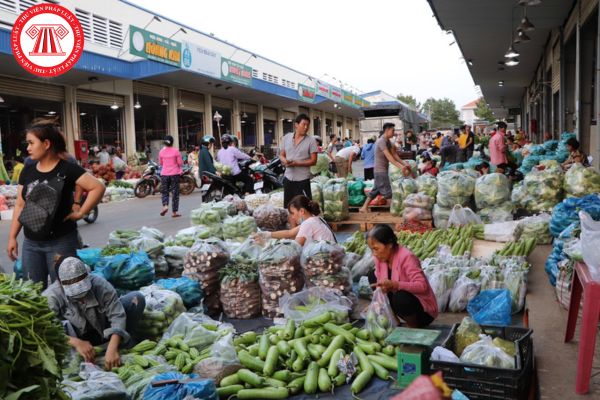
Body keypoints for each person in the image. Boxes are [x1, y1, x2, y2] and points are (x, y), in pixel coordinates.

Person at [7, 119, 105, 288]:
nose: (28, 148)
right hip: (31, 244)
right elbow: (20, 205)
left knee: (66, 290)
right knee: (33, 291)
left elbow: (98, 187)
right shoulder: (28, 170)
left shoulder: (67, 169)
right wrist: (12, 237)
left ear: (46, 144)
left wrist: (81, 212)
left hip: (61, 242)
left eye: (31, 143)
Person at [43, 256, 145, 369]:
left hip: (102, 329)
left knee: (136, 299)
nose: (82, 300)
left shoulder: (100, 285)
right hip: (76, 338)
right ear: (60, 283)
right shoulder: (51, 296)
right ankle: (86, 354)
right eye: (77, 298)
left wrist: (112, 348)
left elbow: (116, 315)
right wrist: (76, 342)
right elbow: (47, 328)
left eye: (85, 293)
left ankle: (120, 343)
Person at [366, 224, 438, 328]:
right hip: (398, 303)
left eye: (376, 249)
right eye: (372, 249)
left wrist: (395, 285)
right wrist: (376, 302)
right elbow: (380, 285)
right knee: (372, 275)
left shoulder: (407, 257)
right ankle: (394, 321)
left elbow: (422, 286)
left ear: (389, 245)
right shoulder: (379, 258)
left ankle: (414, 328)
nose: (374, 253)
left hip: (421, 311)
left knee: (401, 297)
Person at [359, 123, 410, 212]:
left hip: (381, 171)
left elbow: (394, 154)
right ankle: (395, 210)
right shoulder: (381, 141)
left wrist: (403, 163)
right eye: (393, 130)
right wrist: (400, 167)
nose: (394, 133)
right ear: (387, 130)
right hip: (380, 170)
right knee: (388, 192)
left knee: (375, 191)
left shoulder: (388, 141)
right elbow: (389, 157)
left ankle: (364, 207)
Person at [254, 195, 335, 246]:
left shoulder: (308, 223)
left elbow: (294, 249)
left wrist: (266, 244)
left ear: (302, 211)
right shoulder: (315, 218)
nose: (292, 217)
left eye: (293, 213)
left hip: (326, 260)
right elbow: (289, 233)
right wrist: (266, 234)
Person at [279, 114, 318, 207]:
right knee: (289, 206)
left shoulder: (311, 141)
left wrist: (297, 163)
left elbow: (313, 161)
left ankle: (306, 222)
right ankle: (292, 222)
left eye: (307, 125)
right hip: (288, 178)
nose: (306, 127)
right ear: (296, 125)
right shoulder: (286, 138)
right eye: (303, 124)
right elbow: (281, 155)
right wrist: (285, 161)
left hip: (302, 180)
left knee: (305, 207)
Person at [158, 135, 183, 218]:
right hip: (174, 174)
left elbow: (161, 163)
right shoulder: (176, 151)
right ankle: (174, 212)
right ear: (172, 142)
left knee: (165, 191)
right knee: (175, 193)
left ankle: (165, 206)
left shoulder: (161, 152)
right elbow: (180, 163)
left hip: (164, 174)